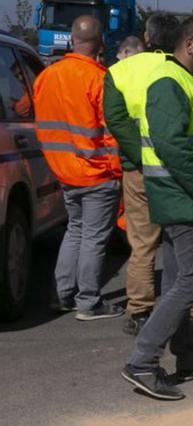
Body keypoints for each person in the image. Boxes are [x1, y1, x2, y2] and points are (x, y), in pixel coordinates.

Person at [122, 16, 193, 401]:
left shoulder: (181, 80)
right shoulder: (169, 83)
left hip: (181, 194)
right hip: (184, 196)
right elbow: (171, 145)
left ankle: (188, 357)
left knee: (178, 279)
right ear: (190, 44)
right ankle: (143, 361)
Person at [104, 13, 193, 337]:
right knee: (183, 246)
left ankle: (139, 311)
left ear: (147, 38)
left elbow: (116, 119)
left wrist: (141, 156)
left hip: (138, 170)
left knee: (142, 242)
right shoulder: (187, 72)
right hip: (179, 170)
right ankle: (191, 313)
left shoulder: (120, 71)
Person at [33, 15, 124, 321]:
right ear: (100, 44)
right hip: (98, 172)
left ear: (72, 40)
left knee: (75, 231)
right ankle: (88, 301)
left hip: (64, 171)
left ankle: (61, 296)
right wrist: (116, 171)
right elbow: (111, 131)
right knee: (94, 238)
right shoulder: (98, 79)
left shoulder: (47, 76)